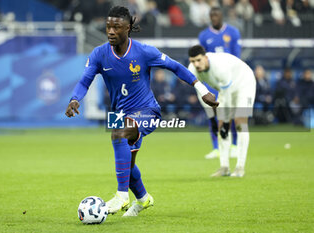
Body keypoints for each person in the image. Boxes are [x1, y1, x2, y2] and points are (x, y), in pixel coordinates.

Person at [65, 6, 218, 217]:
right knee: (127, 164)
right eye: (108, 26)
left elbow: (176, 67)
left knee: (119, 134)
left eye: (116, 27)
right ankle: (144, 199)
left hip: (147, 110)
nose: (110, 31)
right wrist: (75, 98)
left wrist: (202, 90)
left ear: (127, 28)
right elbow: (85, 80)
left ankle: (121, 196)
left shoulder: (144, 52)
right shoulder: (99, 54)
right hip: (120, 114)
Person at [188, 45, 256, 177]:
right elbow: (202, 94)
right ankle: (224, 167)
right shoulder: (192, 70)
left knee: (239, 122)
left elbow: (227, 95)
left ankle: (240, 167)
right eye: (192, 61)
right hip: (226, 91)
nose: (196, 64)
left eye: (198, 60)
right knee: (220, 126)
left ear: (206, 57)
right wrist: (212, 118)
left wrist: (225, 121)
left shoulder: (220, 67)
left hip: (244, 84)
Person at [198, 6, 241, 160]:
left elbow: (237, 56)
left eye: (217, 15)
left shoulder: (233, 32)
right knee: (213, 113)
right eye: (212, 15)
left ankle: (235, 145)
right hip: (212, 80)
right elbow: (201, 59)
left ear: (221, 16)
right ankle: (216, 147)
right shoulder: (204, 35)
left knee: (232, 112)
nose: (214, 18)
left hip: (229, 79)